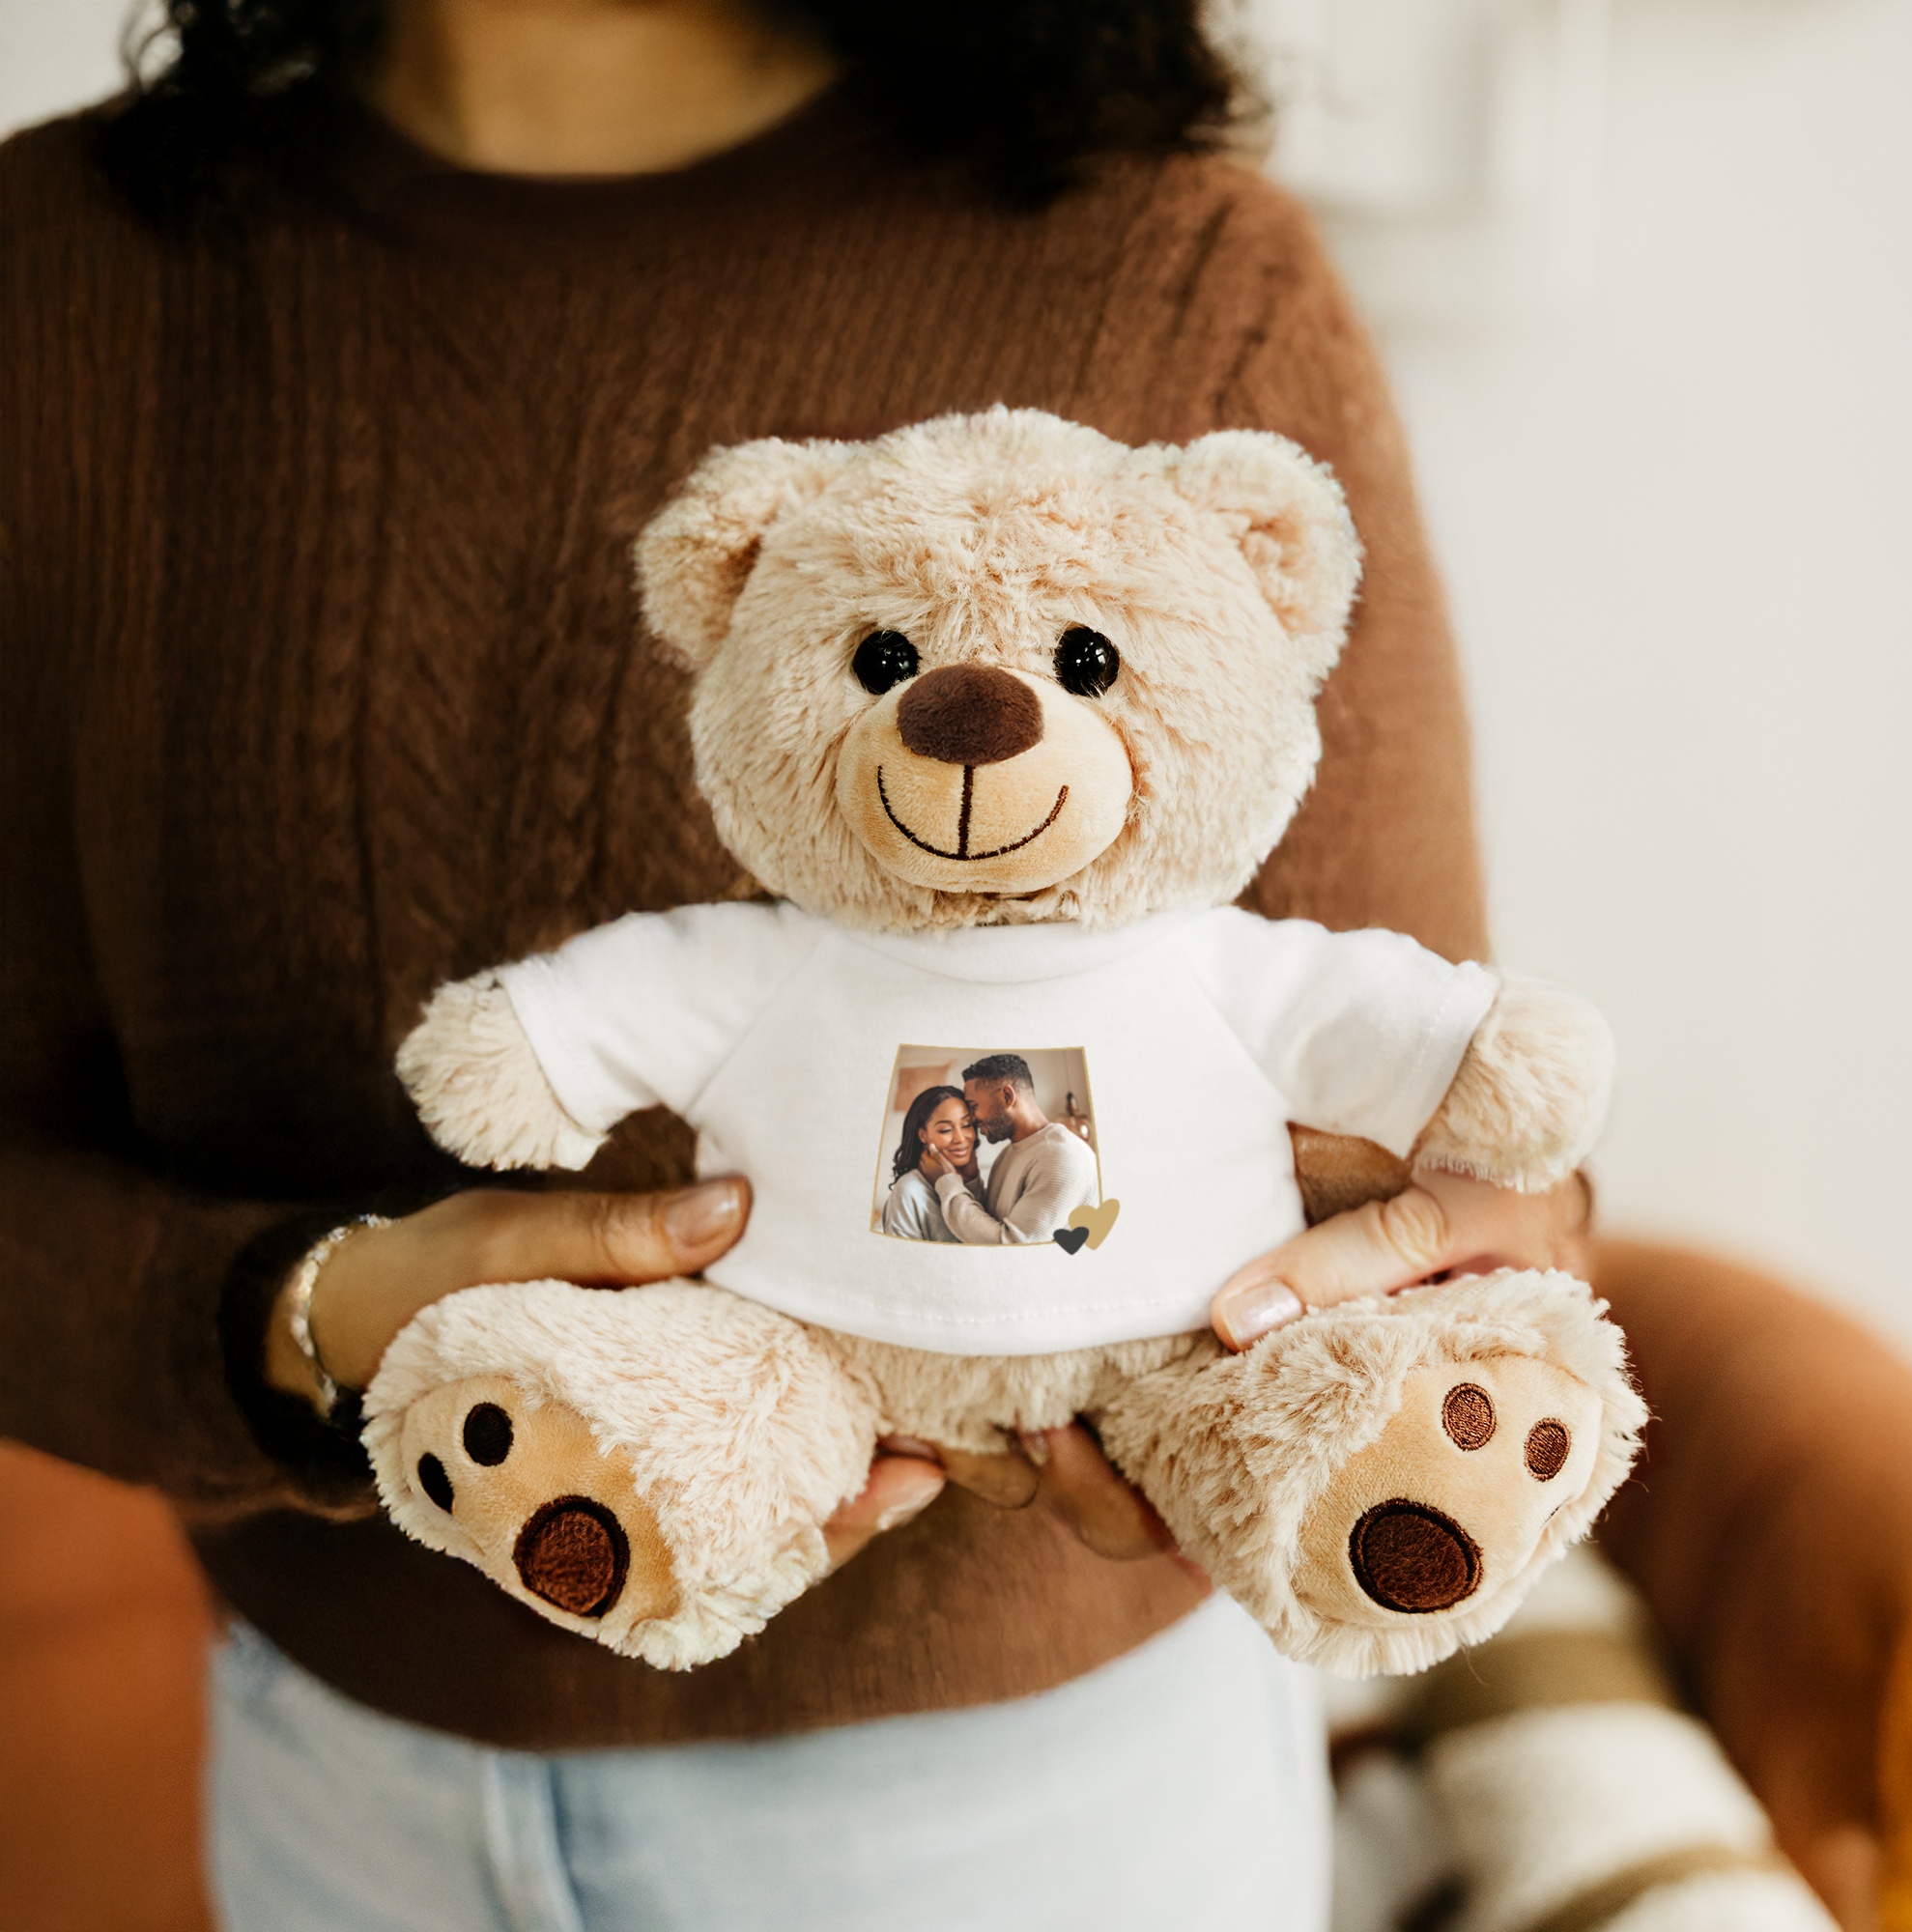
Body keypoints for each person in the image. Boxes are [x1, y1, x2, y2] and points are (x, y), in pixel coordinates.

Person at [3, 0, 1784, 1925]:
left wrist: (1403, 1284)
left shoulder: (1173, 269)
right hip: (330, 1777)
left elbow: (1456, 1145)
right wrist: (321, 1316)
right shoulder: (64, 280)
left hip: (1029, 1808)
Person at [939, 1054, 1101, 1246]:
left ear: (1007, 1096)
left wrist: (948, 1183)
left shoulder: (1063, 1158)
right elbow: (993, 1220)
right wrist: (972, 1181)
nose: (972, 1118)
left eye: (974, 1106)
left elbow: (1012, 1246)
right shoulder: (1008, 1154)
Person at [880, 1085, 979, 1243]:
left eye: (967, 1125)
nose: (960, 1138)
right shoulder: (910, 1189)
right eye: (946, 1129)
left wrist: (972, 1182)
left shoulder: (969, 1177)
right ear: (923, 1135)